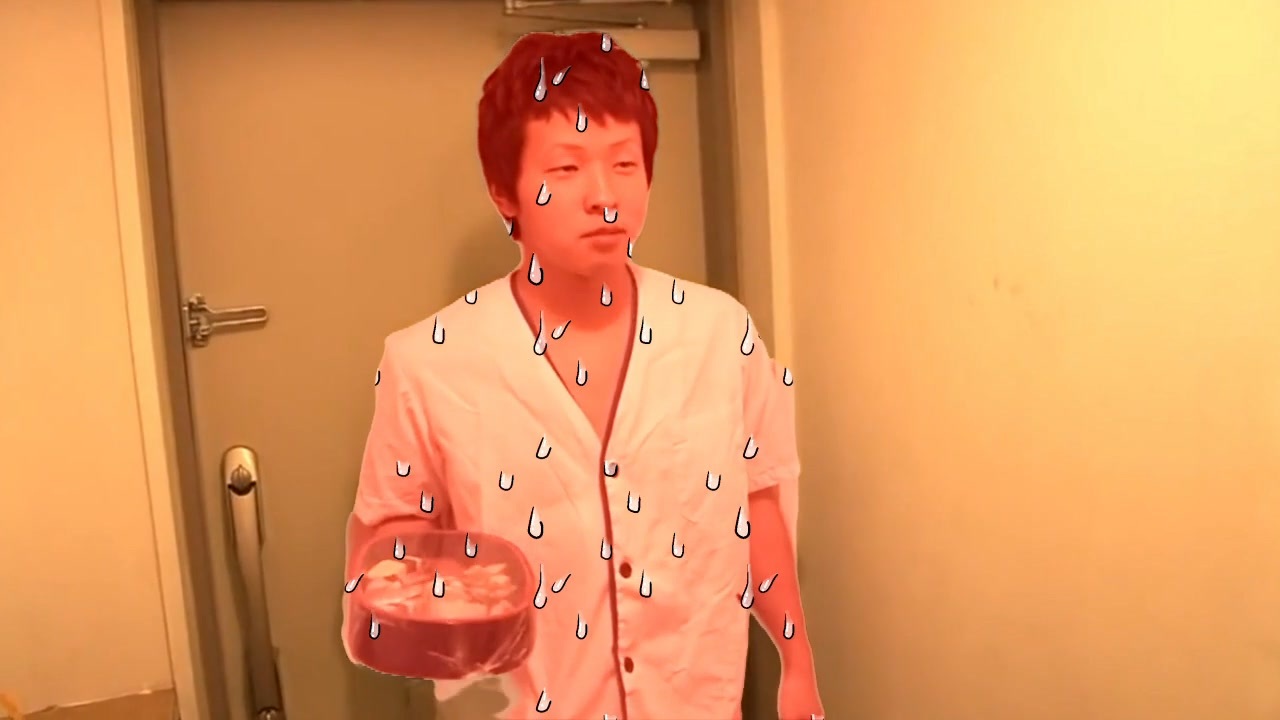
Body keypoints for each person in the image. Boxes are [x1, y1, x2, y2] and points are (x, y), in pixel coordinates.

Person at [341, 30, 824, 720]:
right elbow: (387, 541)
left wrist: (797, 664)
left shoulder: (720, 334)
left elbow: (758, 505)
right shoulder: (427, 363)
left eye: (624, 163)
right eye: (566, 168)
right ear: (504, 192)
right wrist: (422, 587)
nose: (604, 196)